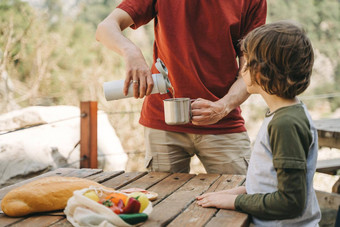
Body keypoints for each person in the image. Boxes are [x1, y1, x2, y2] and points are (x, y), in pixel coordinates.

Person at [96, 0, 267, 174]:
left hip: (223, 121)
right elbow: (105, 28)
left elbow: (250, 70)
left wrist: (222, 107)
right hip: (163, 120)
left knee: (240, 195)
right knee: (162, 199)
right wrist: (131, 51)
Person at [196, 21, 321, 226]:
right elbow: (272, 181)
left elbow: (291, 202)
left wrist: (237, 201)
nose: (241, 67)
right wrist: (240, 192)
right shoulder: (282, 115)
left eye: (247, 62)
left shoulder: (286, 124)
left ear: (262, 71)